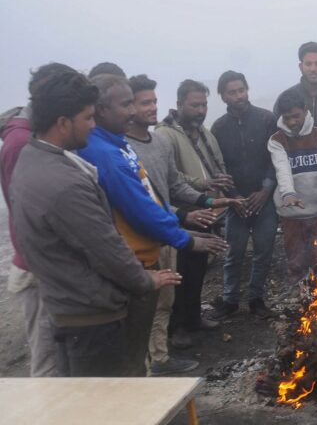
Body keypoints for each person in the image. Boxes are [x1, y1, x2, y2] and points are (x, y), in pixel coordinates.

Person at [11, 71, 181, 377]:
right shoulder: (64, 182)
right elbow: (105, 247)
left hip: (65, 306)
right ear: (63, 122)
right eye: (88, 118)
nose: (93, 125)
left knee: (85, 398)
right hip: (90, 314)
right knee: (111, 399)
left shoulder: (31, 159)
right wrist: (146, 280)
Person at [78, 75, 227, 376]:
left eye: (147, 102)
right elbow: (140, 208)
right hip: (132, 258)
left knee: (160, 307)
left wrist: (197, 209)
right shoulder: (106, 154)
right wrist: (183, 235)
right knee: (128, 352)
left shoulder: (123, 146)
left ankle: (157, 361)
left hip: (157, 241)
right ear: (101, 109)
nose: (135, 111)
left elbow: (158, 192)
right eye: (129, 104)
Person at [126, 74, 238, 374]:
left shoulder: (159, 141)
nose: (151, 107)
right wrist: (184, 216)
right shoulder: (124, 149)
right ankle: (156, 358)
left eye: (153, 101)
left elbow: (172, 184)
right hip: (150, 232)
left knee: (174, 288)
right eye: (143, 102)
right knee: (151, 300)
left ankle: (162, 355)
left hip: (173, 225)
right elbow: (143, 199)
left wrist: (211, 202)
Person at [0, 62, 75, 377]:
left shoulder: (33, 136)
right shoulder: (20, 143)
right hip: (38, 269)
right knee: (47, 360)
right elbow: (26, 211)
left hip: (50, 265)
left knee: (63, 352)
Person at [156, 80, 232, 345]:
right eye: (195, 105)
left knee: (199, 268)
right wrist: (204, 187)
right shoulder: (165, 135)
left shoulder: (205, 132)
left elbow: (217, 163)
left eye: (204, 105)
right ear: (179, 105)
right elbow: (171, 178)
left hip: (206, 209)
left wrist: (220, 192)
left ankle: (193, 317)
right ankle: (176, 328)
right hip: (181, 213)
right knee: (179, 271)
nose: (201, 110)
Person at [210, 71, 279, 320]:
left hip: (265, 199)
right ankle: (230, 300)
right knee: (233, 252)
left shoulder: (266, 119)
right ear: (223, 96)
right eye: (232, 92)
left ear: (247, 90)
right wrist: (233, 197)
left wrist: (266, 190)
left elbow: (276, 158)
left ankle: (256, 299)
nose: (238, 96)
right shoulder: (218, 128)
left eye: (241, 90)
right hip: (234, 202)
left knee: (263, 250)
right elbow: (218, 167)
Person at [268, 94, 317, 284]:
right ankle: (299, 305)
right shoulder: (276, 140)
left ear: (306, 112)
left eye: (296, 116)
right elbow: (282, 169)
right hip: (292, 213)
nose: (292, 122)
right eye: (287, 117)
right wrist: (288, 194)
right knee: (296, 263)